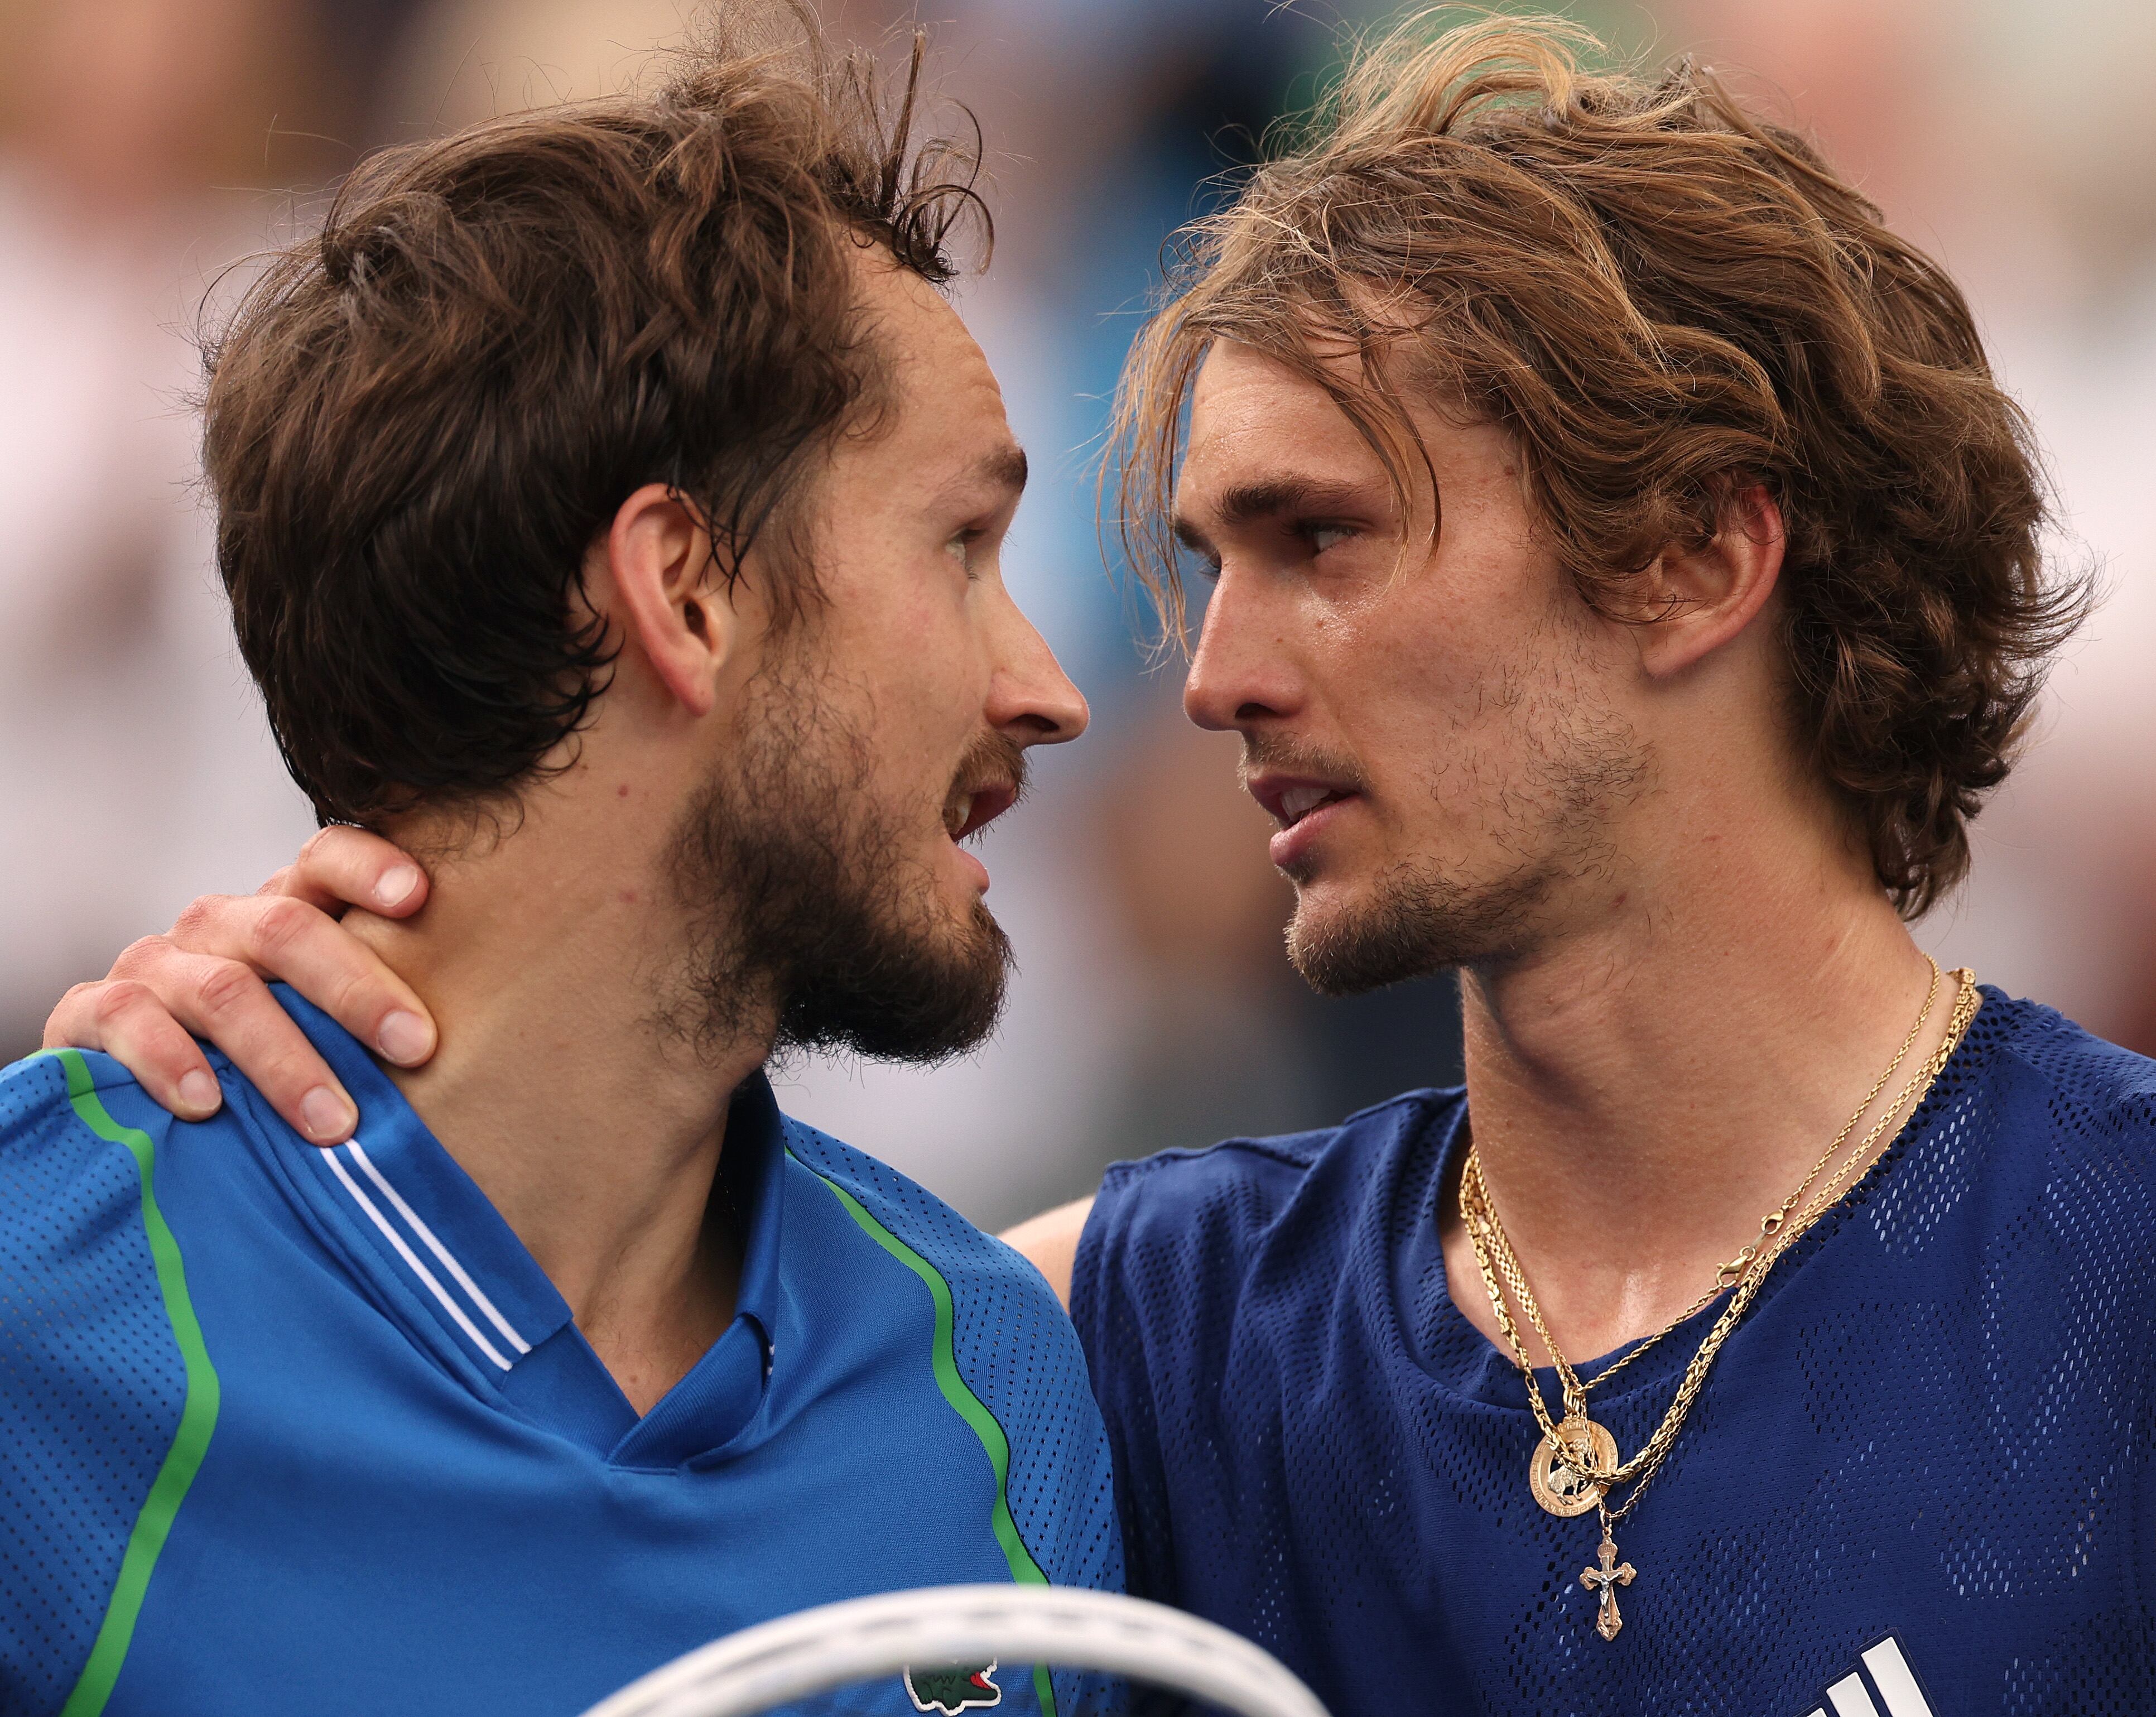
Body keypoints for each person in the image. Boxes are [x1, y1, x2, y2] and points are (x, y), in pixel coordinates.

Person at [49, 13, 2156, 1717]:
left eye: (1318, 537)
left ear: (1701, 555)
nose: (1198, 680)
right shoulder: (1117, 1337)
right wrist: (195, 1054)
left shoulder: (2115, 1258)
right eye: (1196, 561)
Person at [3, 15, 1121, 1717]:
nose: (1046, 688)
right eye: (959, 546)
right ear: (684, 595)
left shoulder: (997, 1385)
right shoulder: (37, 1300)